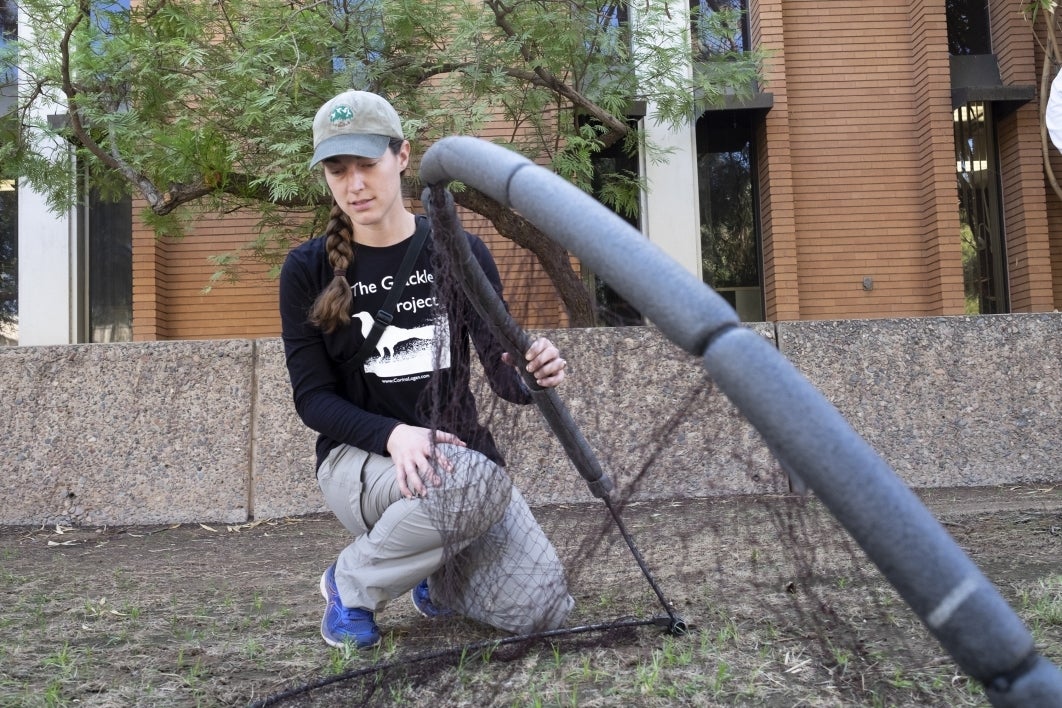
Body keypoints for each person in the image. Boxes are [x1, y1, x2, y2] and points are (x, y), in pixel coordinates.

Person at [279, 89, 575, 650]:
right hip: (362, 460)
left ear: (403, 156)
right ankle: (350, 584)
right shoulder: (307, 269)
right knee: (473, 479)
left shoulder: (460, 250)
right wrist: (396, 435)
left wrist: (532, 373)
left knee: (541, 610)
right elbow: (313, 400)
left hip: (461, 465)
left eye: (367, 164)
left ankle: (433, 579)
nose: (355, 184)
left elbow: (504, 373)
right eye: (337, 170)